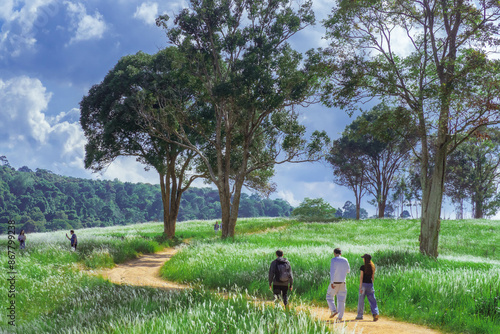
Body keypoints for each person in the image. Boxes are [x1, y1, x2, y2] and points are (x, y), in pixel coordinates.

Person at [326, 248, 350, 321]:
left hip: (335, 282)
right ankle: (340, 317)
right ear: (341, 253)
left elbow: (332, 271)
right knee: (341, 300)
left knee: (329, 296)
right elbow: (348, 271)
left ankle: (333, 310)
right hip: (343, 282)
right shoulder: (345, 260)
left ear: (334, 253)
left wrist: (332, 282)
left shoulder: (333, 260)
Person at [356, 254, 379, 321]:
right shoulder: (372, 267)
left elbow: (361, 278)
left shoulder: (363, 267)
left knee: (361, 300)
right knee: (372, 300)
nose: (363, 259)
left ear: (365, 259)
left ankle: (360, 315)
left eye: (363, 258)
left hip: (363, 285)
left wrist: (360, 287)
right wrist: (372, 285)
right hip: (370, 285)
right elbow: (373, 277)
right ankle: (375, 313)